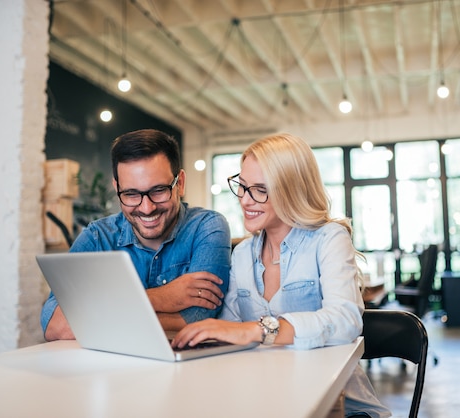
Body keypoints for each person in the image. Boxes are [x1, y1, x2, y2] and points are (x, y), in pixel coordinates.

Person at [172, 133, 391, 418]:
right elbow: (230, 329)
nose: (246, 200)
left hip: (341, 406)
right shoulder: (241, 254)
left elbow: (345, 319)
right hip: (266, 399)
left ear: (291, 189)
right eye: (243, 186)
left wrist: (258, 330)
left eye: (260, 189)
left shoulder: (328, 238)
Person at [40, 129, 231, 341]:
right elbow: (55, 325)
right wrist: (163, 297)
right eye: (131, 194)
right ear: (117, 188)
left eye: (159, 190)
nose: (147, 208)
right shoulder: (97, 237)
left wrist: (96, 315)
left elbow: (199, 318)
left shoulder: (207, 227)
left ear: (181, 183)